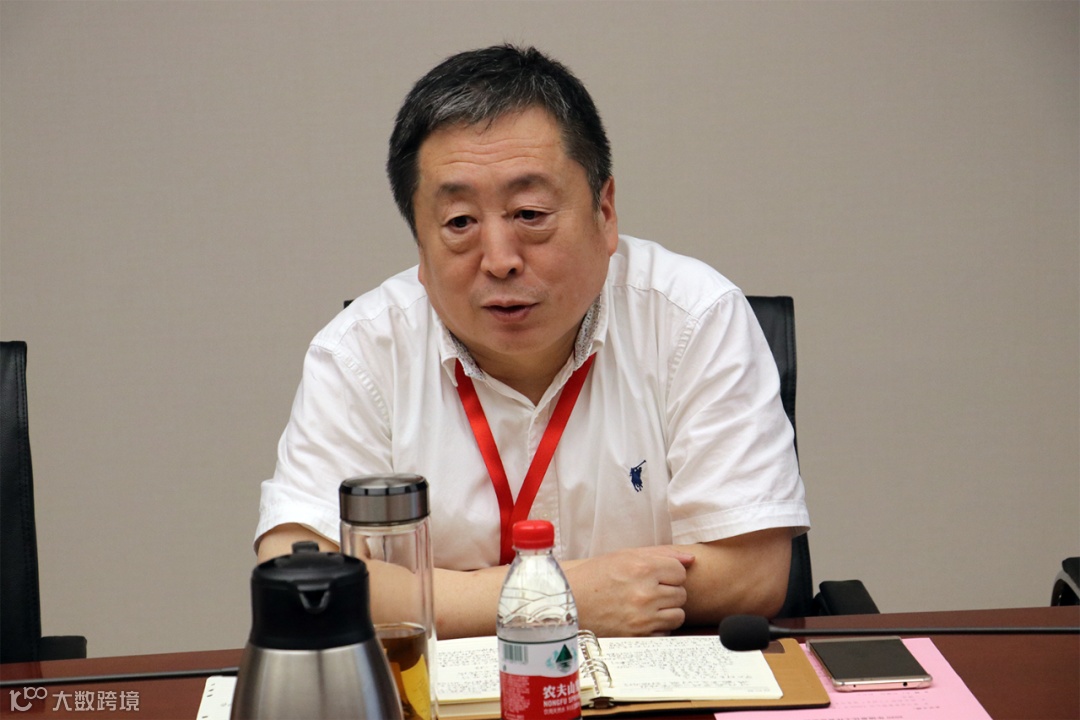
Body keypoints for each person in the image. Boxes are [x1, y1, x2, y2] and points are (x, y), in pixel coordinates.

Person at [255, 44, 809, 639]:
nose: (500, 260)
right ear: (420, 244)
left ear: (604, 211)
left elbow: (753, 573)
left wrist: (424, 596)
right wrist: (563, 599)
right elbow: (300, 578)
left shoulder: (694, 318)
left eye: (530, 213)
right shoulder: (361, 353)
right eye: (460, 223)